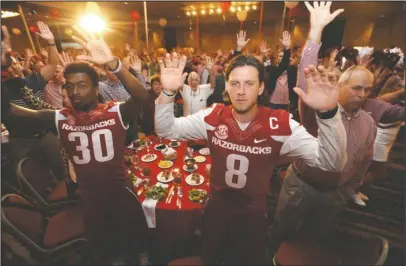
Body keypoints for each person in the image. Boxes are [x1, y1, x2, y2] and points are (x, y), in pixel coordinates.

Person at [154, 33, 347, 266]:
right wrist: (167, 93)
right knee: (211, 259)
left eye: (249, 83)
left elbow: (331, 163)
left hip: (253, 215)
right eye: (235, 83)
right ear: (227, 87)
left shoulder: (279, 123)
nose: (241, 91)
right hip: (215, 208)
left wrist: (328, 115)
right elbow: (166, 130)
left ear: (261, 87)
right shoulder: (213, 116)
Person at [2, 28, 149, 265]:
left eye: (81, 85)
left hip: (121, 192)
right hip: (89, 198)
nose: (74, 92)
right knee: (104, 250)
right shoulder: (60, 117)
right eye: (69, 87)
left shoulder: (115, 112)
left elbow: (142, 97)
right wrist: (2, 65)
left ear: (95, 88)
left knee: (135, 245)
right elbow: (11, 112)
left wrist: (114, 64)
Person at [271, 1, 384, 255]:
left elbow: (364, 159)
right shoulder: (319, 111)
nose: (362, 95)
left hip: (335, 194)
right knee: (283, 232)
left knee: (316, 239)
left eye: (367, 90)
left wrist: (352, 188)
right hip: (301, 187)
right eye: (356, 88)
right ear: (340, 86)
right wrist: (316, 32)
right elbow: (304, 75)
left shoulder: (368, 122)